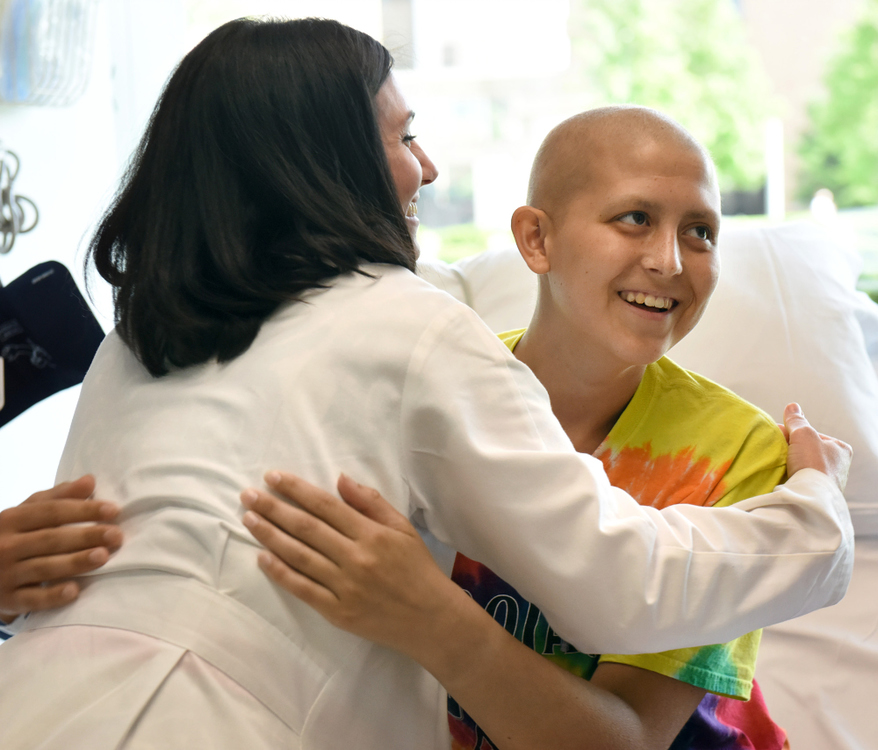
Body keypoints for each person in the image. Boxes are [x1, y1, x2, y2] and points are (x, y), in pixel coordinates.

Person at [0, 17, 852, 750]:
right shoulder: (411, 329)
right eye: (404, 137)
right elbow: (627, 586)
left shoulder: (140, 341)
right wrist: (817, 514)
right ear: (319, 160)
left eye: (699, 231)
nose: (429, 168)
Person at [235, 107, 826, 750]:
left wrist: (433, 618)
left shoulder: (738, 454)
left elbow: (625, 740)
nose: (670, 262)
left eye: (700, 232)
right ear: (536, 240)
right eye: (635, 219)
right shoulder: (428, 393)